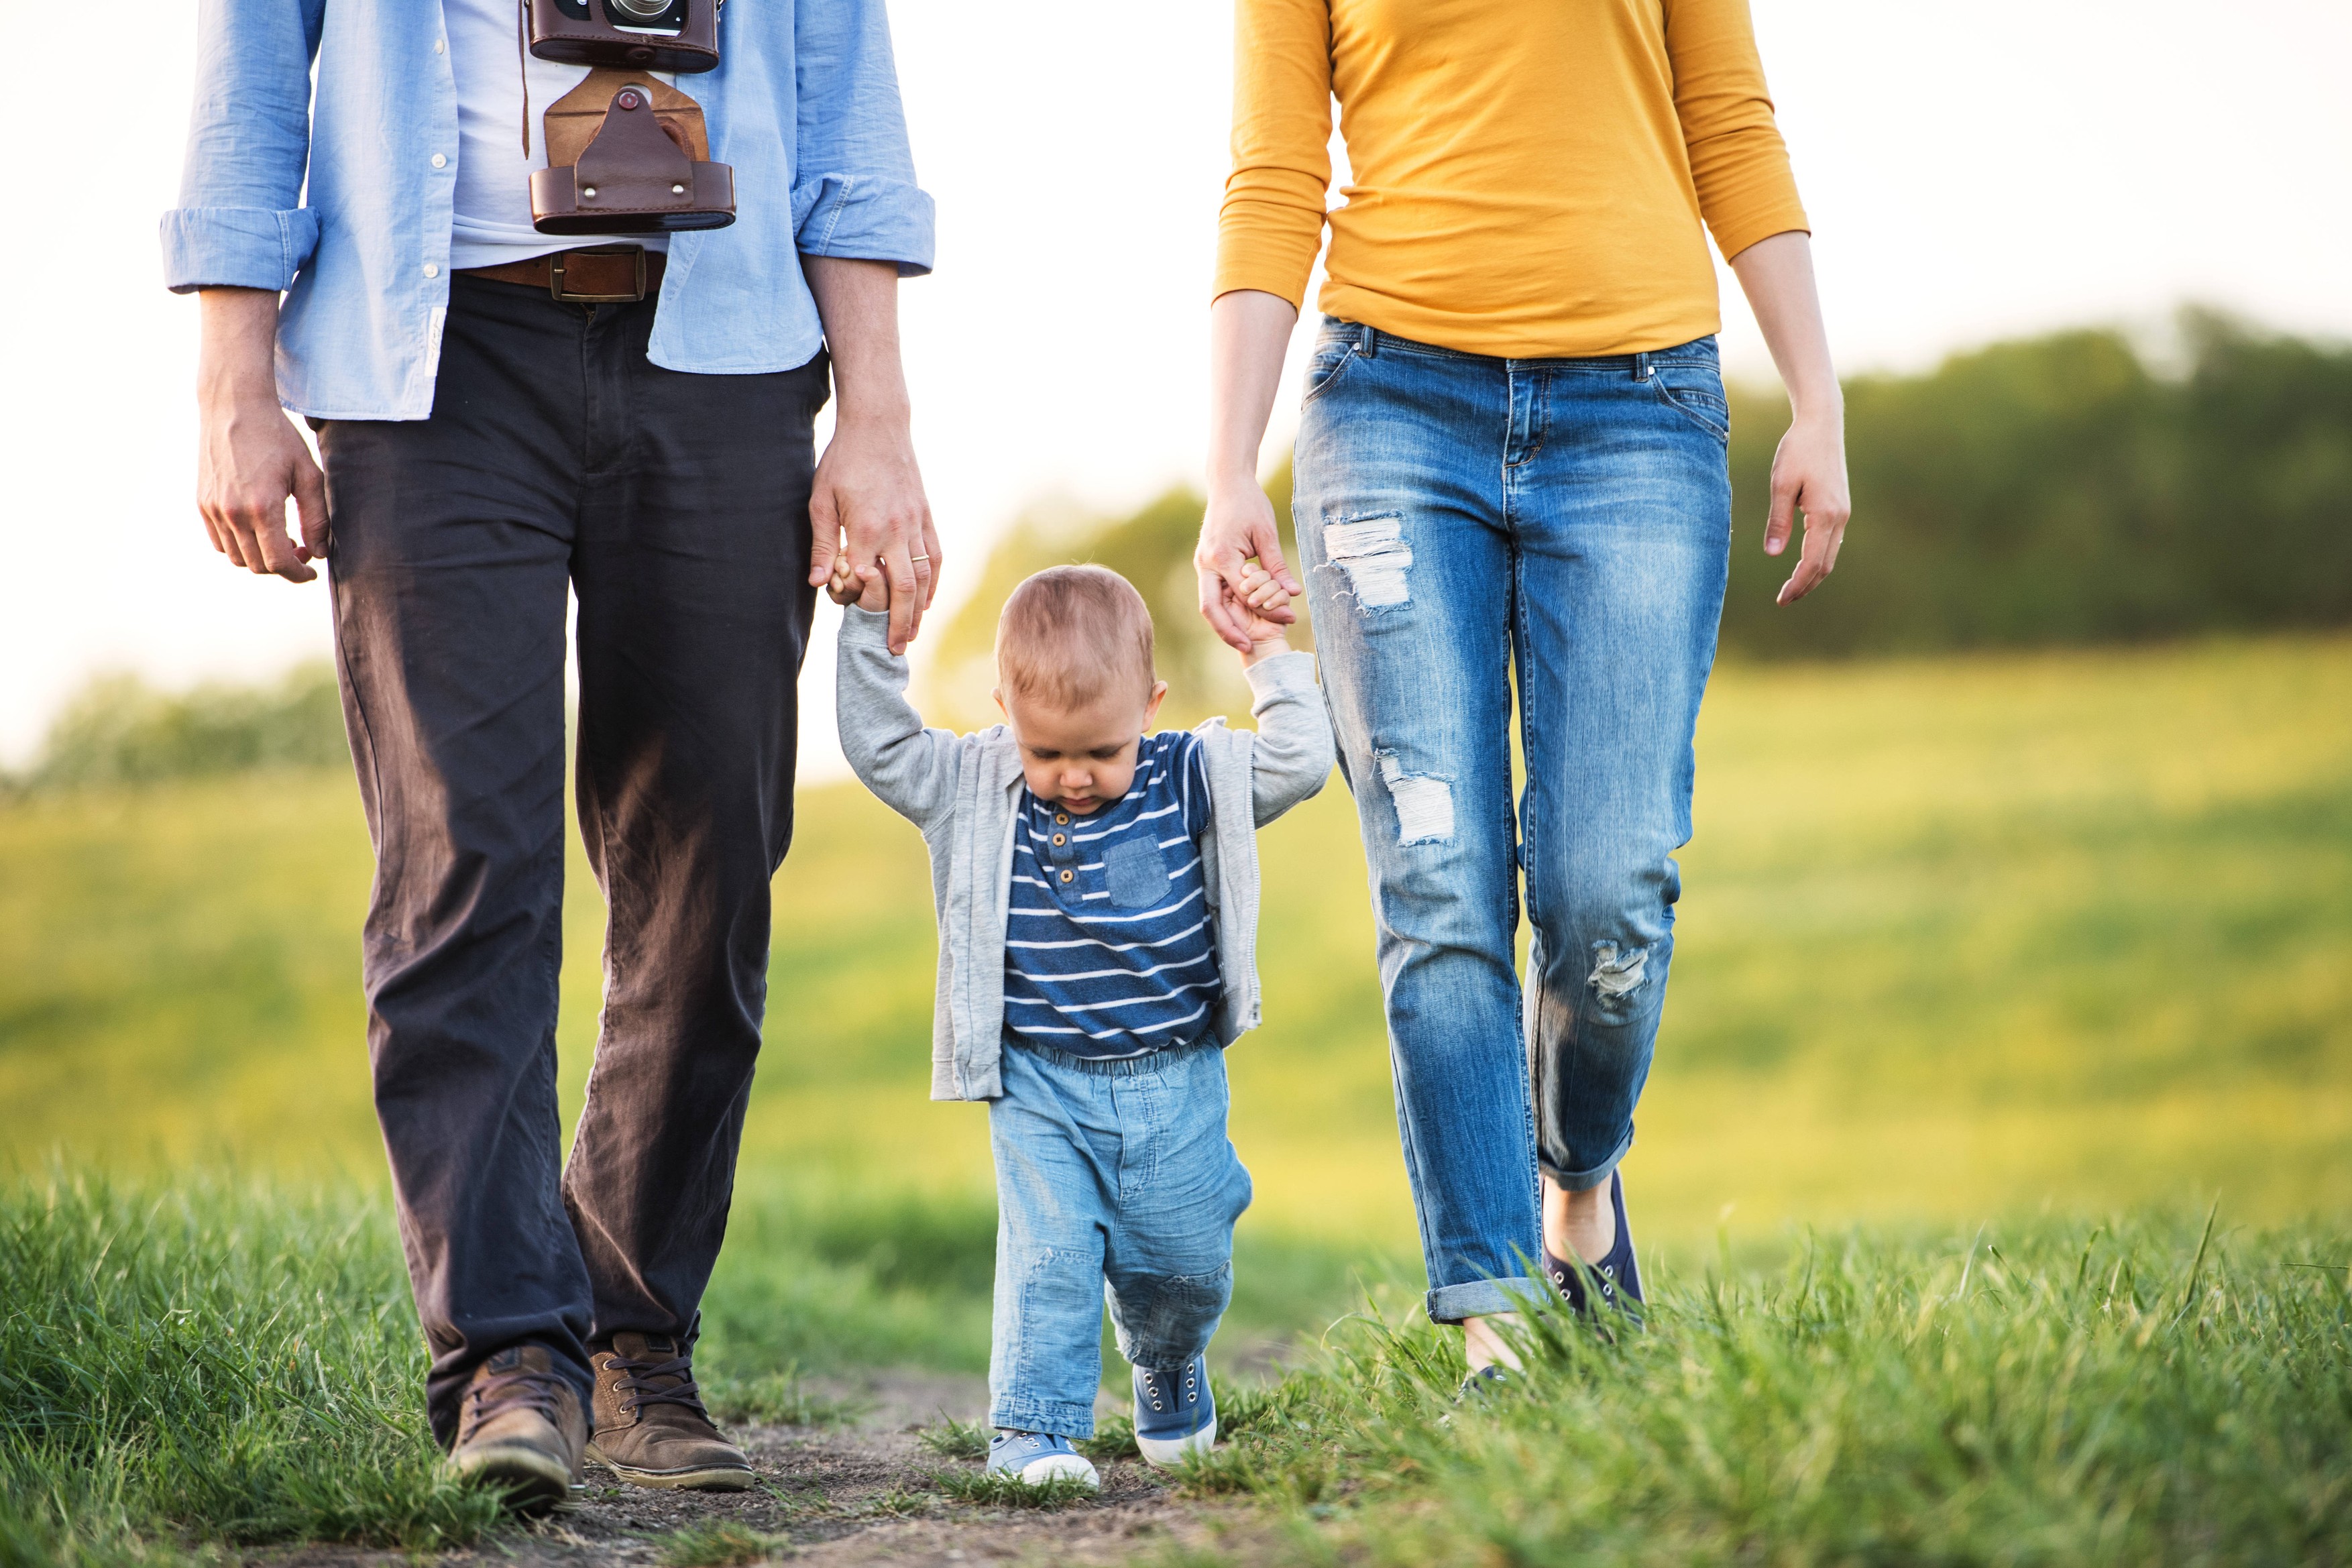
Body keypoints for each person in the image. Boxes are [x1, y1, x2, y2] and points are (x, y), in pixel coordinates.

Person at [165, 0, 936, 1508]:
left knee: (713, 854)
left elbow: (846, 86)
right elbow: (251, 61)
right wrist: (230, 380)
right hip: (434, 353)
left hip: (724, 344)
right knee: (465, 862)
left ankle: (635, 1334)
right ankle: (509, 1356)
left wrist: (880, 418)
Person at [1196, 0, 1852, 1376]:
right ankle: (1494, 1328)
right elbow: (1273, 173)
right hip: (1389, 409)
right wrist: (1227, 469)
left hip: (1638, 412)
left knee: (1608, 887)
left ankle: (1577, 1183)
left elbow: (1730, 123)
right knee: (1437, 881)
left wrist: (1815, 397)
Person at [831, 559, 1334, 1485]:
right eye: (1046, 753)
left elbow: (1301, 760)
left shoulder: (1188, 777)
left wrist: (1269, 651)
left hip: (1174, 1076)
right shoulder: (976, 783)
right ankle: (1031, 1430)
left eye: (1102, 751)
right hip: (1041, 1084)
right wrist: (871, 626)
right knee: (1049, 1256)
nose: (1072, 777)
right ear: (1005, 712)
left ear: (1150, 704)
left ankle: (1166, 1358)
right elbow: (882, 748)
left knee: (1187, 1263)